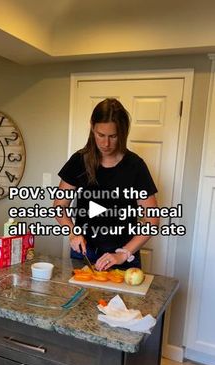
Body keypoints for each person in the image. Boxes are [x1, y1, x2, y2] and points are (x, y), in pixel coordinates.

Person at [54, 98, 159, 271]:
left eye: (113, 136)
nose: (106, 143)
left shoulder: (135, 166)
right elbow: (59, 206)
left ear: (123, 133)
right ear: (92, 128)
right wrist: (73, 231)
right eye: (100, 135)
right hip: (85, 253)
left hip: (124, 256)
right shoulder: (79, 161)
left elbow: (152, 219)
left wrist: (123, 253)